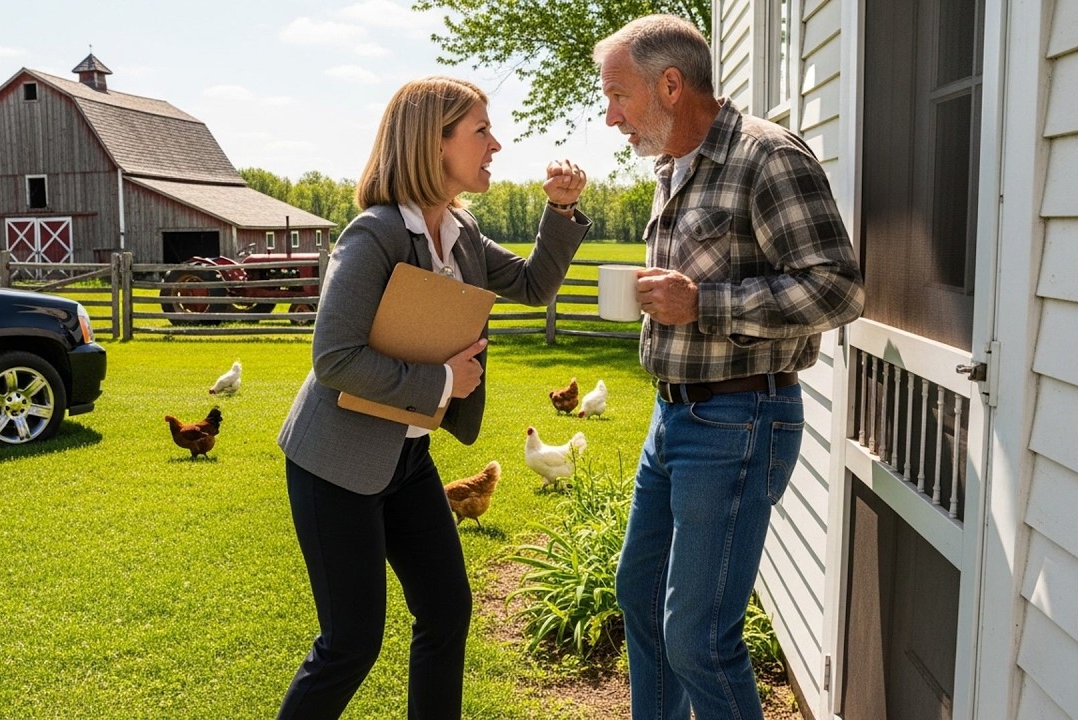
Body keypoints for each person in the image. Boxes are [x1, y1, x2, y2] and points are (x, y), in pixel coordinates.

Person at [274, 75, 591, 720]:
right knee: (351, 645)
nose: (495, 144)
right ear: (433, 143)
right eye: (480, 131)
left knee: (446, 609)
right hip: (334, 465)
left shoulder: (462, 233)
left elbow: (533, 283)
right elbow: (333, 358)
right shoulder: (376, 234)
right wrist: (443, 383)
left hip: (406, 458)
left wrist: (560, 212)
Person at [593, 15, 865, 720]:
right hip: (674, 415)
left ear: (672, 85)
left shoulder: (768, 157)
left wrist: (704, 303)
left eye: (619, 96)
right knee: (642, 596)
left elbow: (837, 289)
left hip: (740, 419)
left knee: (700, 640)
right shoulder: (673, 168)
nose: (610, 114)